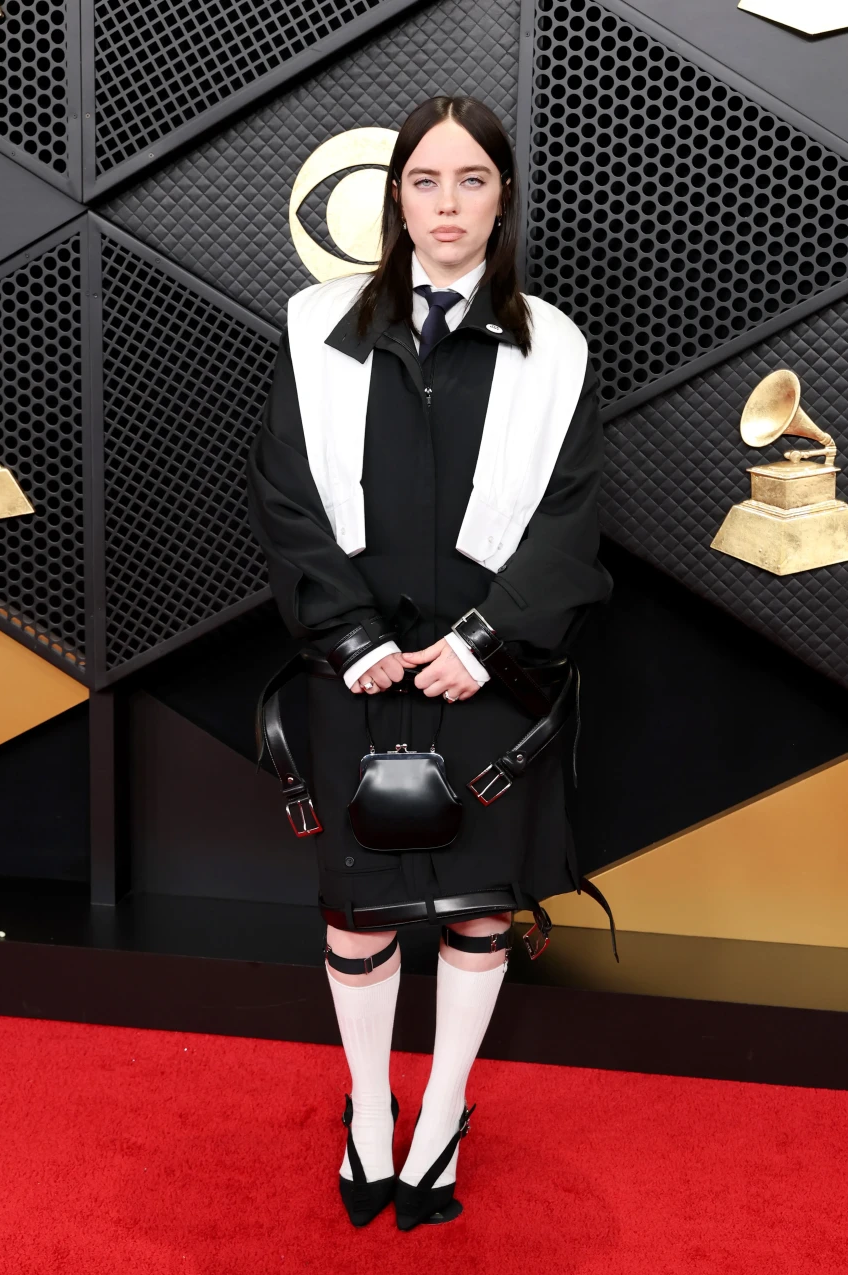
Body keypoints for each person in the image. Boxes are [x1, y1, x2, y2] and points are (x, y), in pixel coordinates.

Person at [246, 94, 614, 1231]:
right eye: (424, 181)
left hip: (488, 672)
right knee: (357, 917)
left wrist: (482, 642)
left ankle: (442, 1112)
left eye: (471, 180)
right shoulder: (317, 328)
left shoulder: (553, 347)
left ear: (503, 199)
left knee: (477, 913)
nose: (447, 205)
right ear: (395, 198)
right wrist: (352, 639)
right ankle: (369, 1110)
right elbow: (286, 496)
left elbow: (571, 519)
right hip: (350, 665)